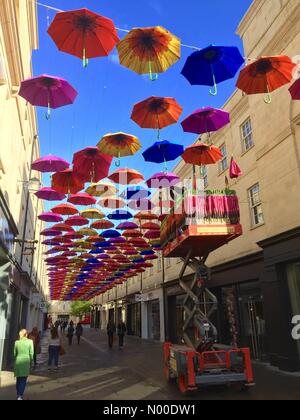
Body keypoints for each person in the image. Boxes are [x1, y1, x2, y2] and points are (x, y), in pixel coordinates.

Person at [14, 329, 34, 400]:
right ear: (26, 334)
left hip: (18, 362)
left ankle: (18, 393)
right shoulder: (30, 342)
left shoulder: (17, 342)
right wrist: (31, 361)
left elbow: (14, 353)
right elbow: (31, 353)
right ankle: (19, 396)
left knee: (18, 379)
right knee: (23, 380)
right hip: (26, 362)